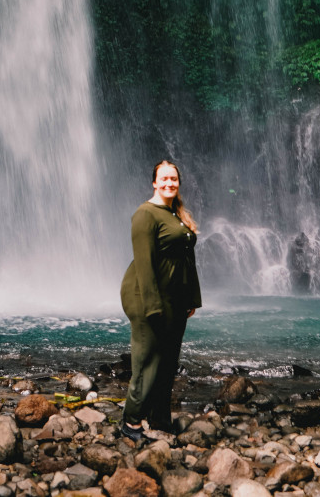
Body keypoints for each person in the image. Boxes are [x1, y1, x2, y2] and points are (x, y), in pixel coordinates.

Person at [120, 159, 202, 441]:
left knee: (168, 361)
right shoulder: (146, 214)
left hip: (175, 298)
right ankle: (130, 422)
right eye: (164, 178)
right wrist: (152, 308)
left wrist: (192, 298)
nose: (169, 183)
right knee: (147, 360)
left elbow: (187, 260)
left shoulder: (175, 214)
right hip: (145, 296)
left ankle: (159, 419)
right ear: (154, 182)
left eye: (174, 179)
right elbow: (144, 265)